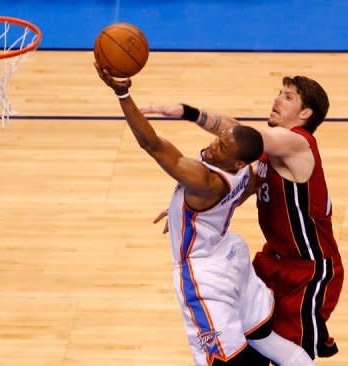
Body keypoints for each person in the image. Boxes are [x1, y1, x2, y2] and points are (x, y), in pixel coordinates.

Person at [94, 63, 314, 366]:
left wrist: (123, 94)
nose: (212, 146)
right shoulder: (243, 171)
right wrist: (179, 212)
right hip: (230, 253)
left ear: (235, 163)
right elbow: (245, 188)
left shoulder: (203, 181)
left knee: (225, 362)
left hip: (204, 274)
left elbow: (151, 144)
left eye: (222, 146)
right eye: (219, 139)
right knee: (265, 337)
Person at [142, 75, 344, 362]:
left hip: (309, 269)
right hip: (275, 259)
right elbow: (239, 180)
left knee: (292, 347)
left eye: (288, 97)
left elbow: (240, 134)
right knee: (255, 333)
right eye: (279, 92)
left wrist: (188, 113)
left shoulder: (298, 143)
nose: (277, 99)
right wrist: (183, 211)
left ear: (305, 114)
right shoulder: (268, 152)